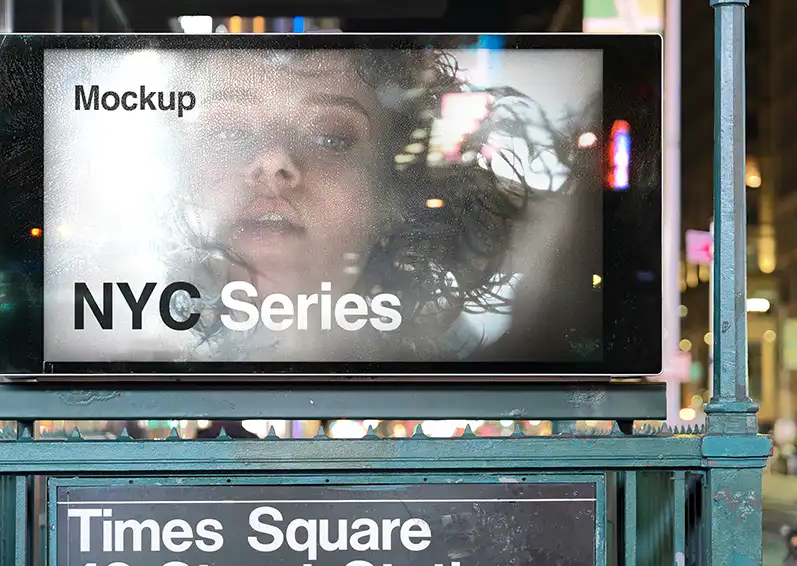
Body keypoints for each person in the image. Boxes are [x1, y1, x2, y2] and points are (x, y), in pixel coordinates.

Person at [151, 43, 600, 364]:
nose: (272, 161)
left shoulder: (467, 378)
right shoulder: (136, 349)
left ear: (390, 202)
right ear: (182, 178)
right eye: (228, 132)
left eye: (331, 138)